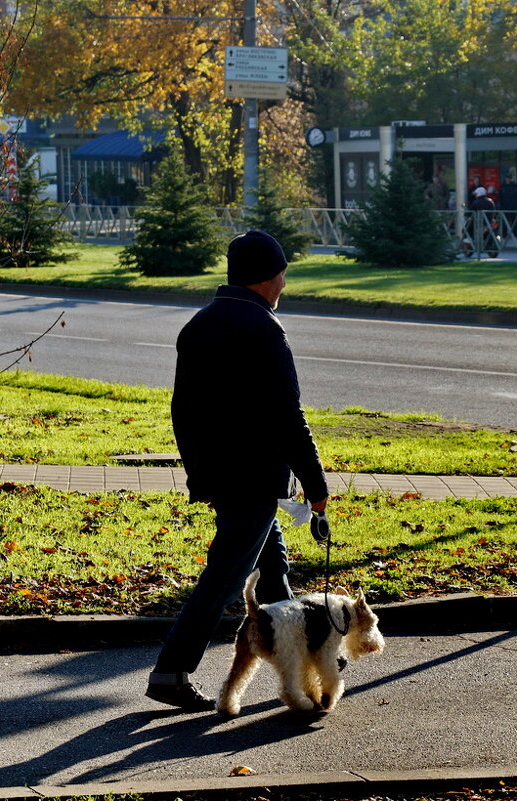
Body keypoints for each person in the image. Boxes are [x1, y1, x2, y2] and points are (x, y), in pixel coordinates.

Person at [145, 229, 330, 711]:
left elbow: (182, 410)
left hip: (219, 471)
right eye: (282, 275)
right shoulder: (264, 330)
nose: (284, 285)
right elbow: (287, 416)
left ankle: (308, 650)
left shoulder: (199, 324)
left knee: (273, 574)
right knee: (226, 576)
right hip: (254, 476)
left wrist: (198, 471)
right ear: (269, 278)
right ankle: (170, 671)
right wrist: (316, 485)